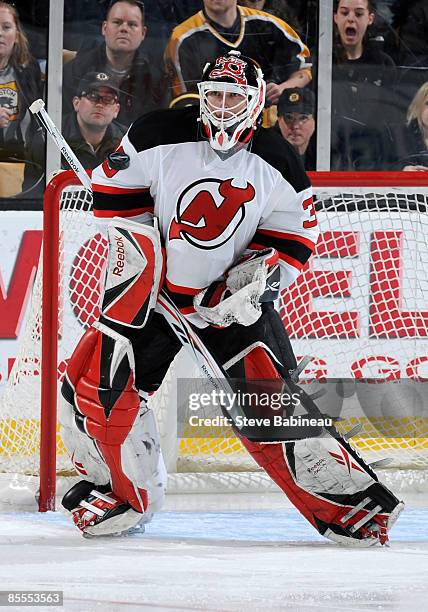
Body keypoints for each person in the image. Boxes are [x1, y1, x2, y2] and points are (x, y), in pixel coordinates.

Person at [59, 50, 403, 546]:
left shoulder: (277, 158)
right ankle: (119, 491)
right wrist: (143, 259)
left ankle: (352, 507)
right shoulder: (158, 131)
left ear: (256, 100)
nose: (221, 106)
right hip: (157, 301)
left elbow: (294, 241)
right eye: (214, 94)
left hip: (229, 311)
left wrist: (246, 288)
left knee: (272, 410)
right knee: (95, 387)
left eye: (233, 96)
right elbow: (117, 201)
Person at [164, 0, 311, 105]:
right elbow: (185, 100)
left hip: (266, 129)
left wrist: (282, 89)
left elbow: (304, 70)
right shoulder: (182, 39)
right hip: (212, 131)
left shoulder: (269, 25)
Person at [62, 0, 161, 128]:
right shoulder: (75, 71)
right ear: (104, 28)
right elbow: (61, 123)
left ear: (143, 33)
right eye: (117, 22)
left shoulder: (155, 79)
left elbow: (157, 127)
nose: (124, 29)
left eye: (132, 24)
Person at [331, 0, 398, 170]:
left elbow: (390, 116)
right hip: (331, 152)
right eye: (344, 13)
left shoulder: (383, 64)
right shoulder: (323, 60)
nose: (351, 19)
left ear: (370, 18)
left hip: (373, 154)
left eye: (359, 14)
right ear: (335, 17)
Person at [0, 1, 44, 195]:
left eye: (6, 27)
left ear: (17, 35)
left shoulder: (29, 69)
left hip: (20, 160)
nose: (0, 33)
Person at [62, 71, 126, 170]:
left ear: (116, 110)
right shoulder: (52, 136)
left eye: (108, 99)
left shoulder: (126, 140)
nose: (100, 104)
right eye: (92, 96)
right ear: (76, 103)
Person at [387, 81, 428, 171]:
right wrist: (402, 172)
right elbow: (377, 167)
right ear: (418, 106)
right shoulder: (394, 137)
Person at [276, 87, 316, 170]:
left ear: (314, 121)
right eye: (289, 117)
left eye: (303, 118)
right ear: (279, 120)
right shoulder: (265, 155)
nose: (295, 126)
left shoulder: (325, 156)